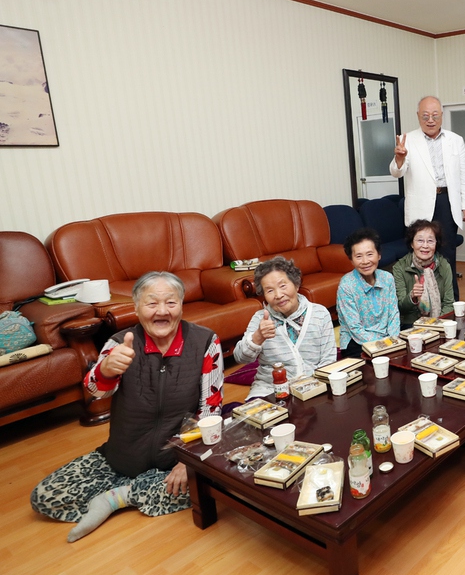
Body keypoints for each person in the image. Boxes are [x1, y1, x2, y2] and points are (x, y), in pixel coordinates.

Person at [31, 272, 224, 542]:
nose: (162, 311)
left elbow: (211, 409)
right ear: (135, 307)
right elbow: (95, 392)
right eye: (152, 303)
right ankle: (132, 489)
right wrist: (107, 370)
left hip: (174, 460)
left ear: (181, 305)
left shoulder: (206, 342)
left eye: (171, 302)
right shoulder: (119, 343)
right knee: (45, 497)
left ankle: (116, 498)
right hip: (121, 456)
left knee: (212, 488)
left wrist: (187, 461)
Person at [389, 96, 465, 297]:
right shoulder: (408, 139)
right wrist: (399, 159)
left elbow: (463, 176)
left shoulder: (455, 140)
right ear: (418, 116)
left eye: (435, 115)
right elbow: (396, 172)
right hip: (420, 206)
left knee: (447, 255)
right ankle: (420, 304)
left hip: (447, 202)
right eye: (425, 115)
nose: (430, 120)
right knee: (420, 256)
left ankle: (451, 303)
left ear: (441, 116)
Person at [234, 256, 336, 399]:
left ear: (296, 284)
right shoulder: (260, 318)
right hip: (269, 389)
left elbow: (329, 360)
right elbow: (240, 358)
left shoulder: (319, 314)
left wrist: (312, 386)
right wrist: (258, 337)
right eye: (269, 291)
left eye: (283, 286)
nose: (278, 295)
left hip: (313, 386)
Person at [337, 228, 400, 358]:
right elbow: (355, 329)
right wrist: (383, 345)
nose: (365, 261)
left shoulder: (387, 278)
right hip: (357, 342)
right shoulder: (346, 286)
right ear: (351, 260)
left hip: (387, 339)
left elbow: (393, 314)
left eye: (370, 254)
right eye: (359, 256)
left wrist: (393, 340)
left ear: (379, 255)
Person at [392, 219, 455, 327]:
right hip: (411, 325)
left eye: (430, 241)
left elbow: (449, 303)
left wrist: (435, 325)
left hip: (439, 323)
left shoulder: (444, 265)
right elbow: (400, 307)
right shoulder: (400, 267)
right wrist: (412, 296)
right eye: (420, 241)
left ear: (436, 244)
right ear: (412, 243)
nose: (425, 246)